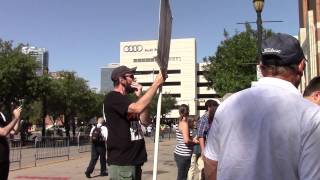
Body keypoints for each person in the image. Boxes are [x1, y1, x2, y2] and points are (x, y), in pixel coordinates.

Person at [204, 33, 320, 180]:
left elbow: (211, 163)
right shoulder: (312, 115)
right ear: (301, 65)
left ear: (261, 67)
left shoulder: (227, 106)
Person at [104, 65, 164, 180]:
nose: (134, 79)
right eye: (131, 76)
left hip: (134, 162)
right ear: (121, 80)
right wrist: (156, 84)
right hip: (123, 164)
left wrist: (140, 95)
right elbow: (137, 108)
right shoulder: (112, 97)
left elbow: (145, 121)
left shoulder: (127, 101)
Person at [196, 99, 219, 179]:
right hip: (209, 150)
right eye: (214, 106)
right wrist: (203, 150)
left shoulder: (216, 117)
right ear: (209, 107)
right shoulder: (204, 119)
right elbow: (201, 135)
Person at [174, 104, 197, 180]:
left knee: (182, 176)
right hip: (183, 154)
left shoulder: (180, 121)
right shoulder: (184, 123)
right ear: (188, 112)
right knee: (182, 177)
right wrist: (195, 142)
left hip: (181, 153)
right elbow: (186, 140)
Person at [0, 102, 22, 180]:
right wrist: (15, 118)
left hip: (3, 159)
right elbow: (3, 132)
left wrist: (18, 118)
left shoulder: (1, 115)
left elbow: (14, 131)